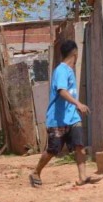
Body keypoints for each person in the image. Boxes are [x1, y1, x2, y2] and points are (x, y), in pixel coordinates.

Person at [30, 40, 91, 188]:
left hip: (72, 118)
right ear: (75, 53)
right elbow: (61, 90)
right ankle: (36, 172)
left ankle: (82, 177)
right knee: (53, 150)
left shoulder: (69, 71)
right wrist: (78, 103)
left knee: (79, 145)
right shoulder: (61, 70)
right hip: (57, 119)